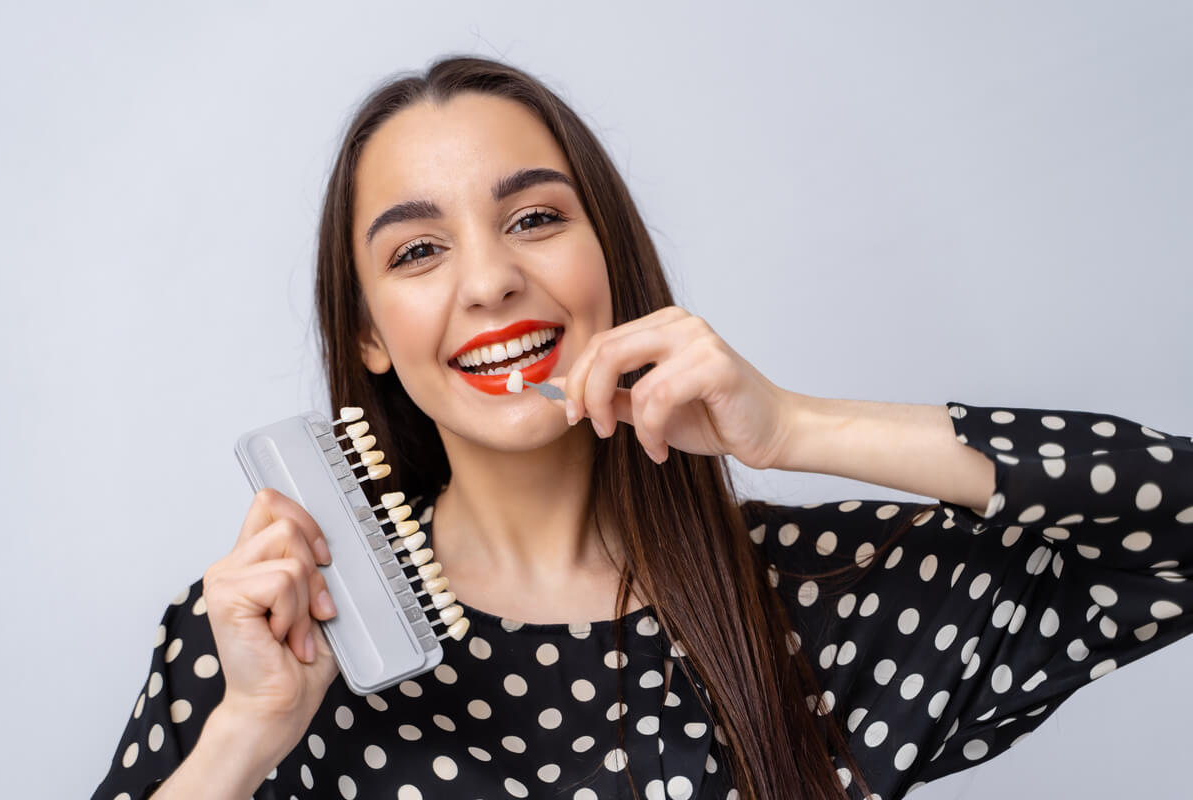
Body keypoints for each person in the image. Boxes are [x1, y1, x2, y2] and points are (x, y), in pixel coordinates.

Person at [91, 55, 1193, 800]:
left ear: (608, 262)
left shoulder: (805, 601)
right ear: (370, 331)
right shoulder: (263, 647)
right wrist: (244, 735)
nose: (490, 281)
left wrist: (796, 427)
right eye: (417, 250)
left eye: (534, 219)